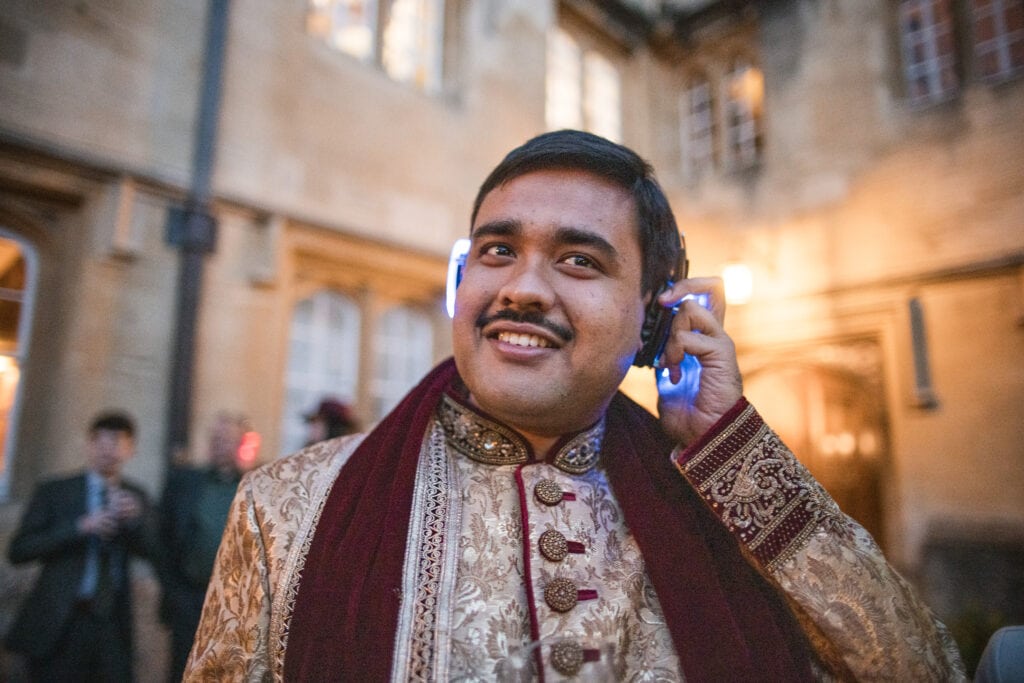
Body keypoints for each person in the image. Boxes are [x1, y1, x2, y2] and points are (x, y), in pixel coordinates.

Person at [186, 131, 965, 681]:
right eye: (498, 251)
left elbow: (922, 669)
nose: (521, 287)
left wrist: (734, 451)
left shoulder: (729, 501)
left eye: (578, 259)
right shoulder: (284, 509)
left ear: (654, 317)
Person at [5, 410, 156, 681]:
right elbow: (20, 550)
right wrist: (79, 527)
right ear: (89, 443)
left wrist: (135, 522)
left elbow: (154, 552)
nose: (109, 449)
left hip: (111, 624)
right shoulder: (56, 491)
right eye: (102, 441)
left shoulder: (136, 496)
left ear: (130, 450)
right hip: (61, 621)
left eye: (118, 442)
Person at [157, 412, 252, 682]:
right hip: (190, 597)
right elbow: (162, 538)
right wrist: (173, 590)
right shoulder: (184, 482)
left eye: (226, 439)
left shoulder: (253, 486)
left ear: (240, 444)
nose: (219, 444)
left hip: (234, 605)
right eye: (215, 439)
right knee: (184, 670)